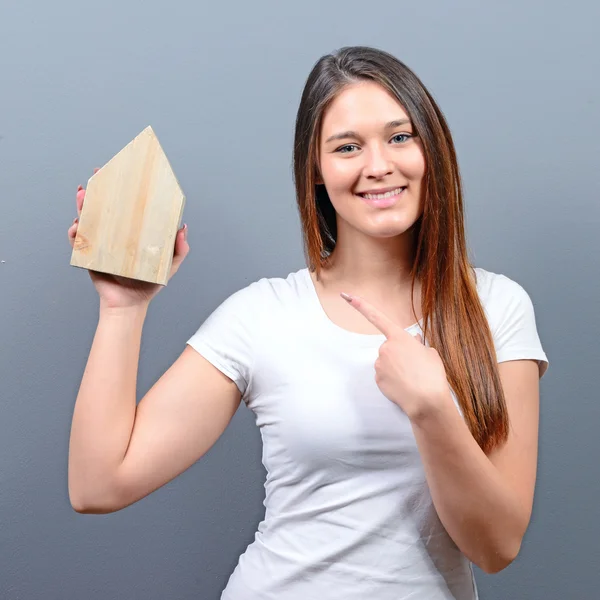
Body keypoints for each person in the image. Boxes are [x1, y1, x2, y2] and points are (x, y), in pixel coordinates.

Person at [67, 46, 549, 600]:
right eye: (347, 147)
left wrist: (432, 406)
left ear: (431, 149)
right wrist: (122, 308)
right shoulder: (263, 315)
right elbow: (98, 484)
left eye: (400, 137)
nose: (378, 165)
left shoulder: (497, 308)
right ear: (316, 172)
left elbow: (496, 548)